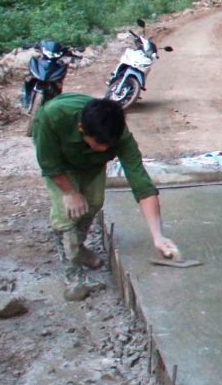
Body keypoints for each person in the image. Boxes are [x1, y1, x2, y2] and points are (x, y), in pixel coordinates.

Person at [33, 94, 178, 267]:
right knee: (67, 211)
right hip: (60, 159)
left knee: (93, 201)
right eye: (98, 143)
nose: (103, 149)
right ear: (81, 128)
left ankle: (77, 248)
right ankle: (72, 274)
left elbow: (142, 186)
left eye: (108, 145)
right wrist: (70, 192)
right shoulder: (53, 117)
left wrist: (158, 236)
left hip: (90, 163)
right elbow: (49, 164)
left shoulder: (119, 136)